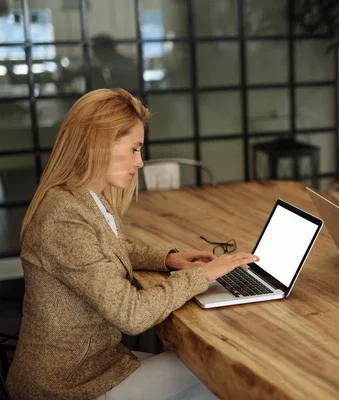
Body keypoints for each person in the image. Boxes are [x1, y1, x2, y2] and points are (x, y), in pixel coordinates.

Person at [6, 88, 258, 400]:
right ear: (99, 144)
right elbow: (132, 315)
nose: (140, 162)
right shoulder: (63, 218)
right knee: (219, 369)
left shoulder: (85, 197)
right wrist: (202, 276)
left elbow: (108, 249)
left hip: (100, 365)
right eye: (134, 149)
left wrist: (169, 259)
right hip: (67, 386)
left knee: (204, 385)